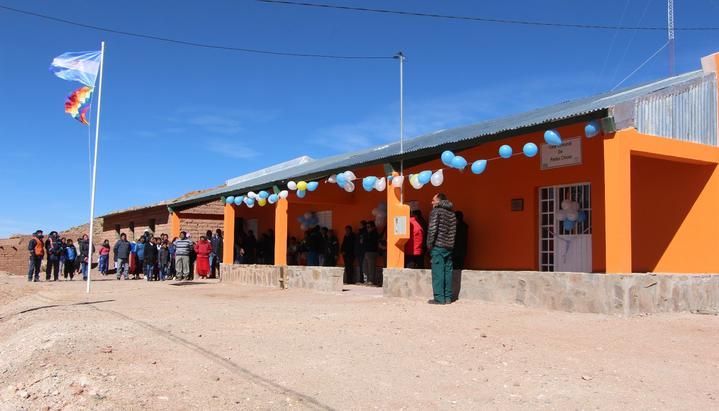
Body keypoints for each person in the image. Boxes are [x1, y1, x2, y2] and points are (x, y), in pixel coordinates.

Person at [426, 193, 457, 305]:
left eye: (433, 200)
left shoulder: (436, 212)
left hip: (438, 247)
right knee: (447, 272)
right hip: (449, 247)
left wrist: (429, 246)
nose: (432, 202)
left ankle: (439, 298)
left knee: (438, 272)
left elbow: (432, 230)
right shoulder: (452, 214)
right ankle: (448, 297)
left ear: (439, 201)